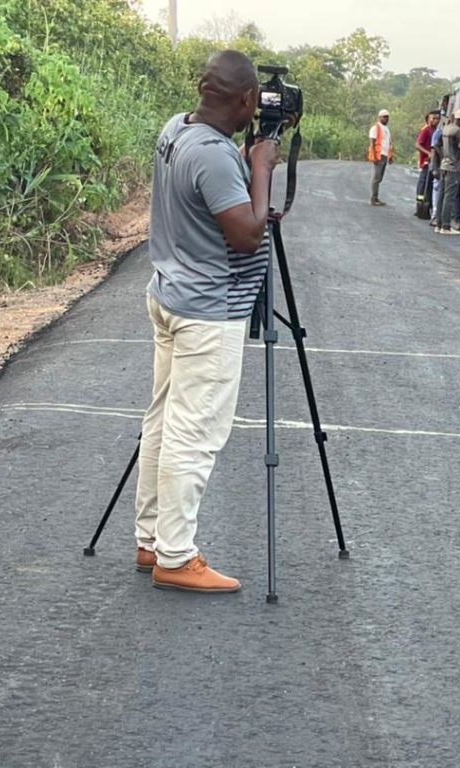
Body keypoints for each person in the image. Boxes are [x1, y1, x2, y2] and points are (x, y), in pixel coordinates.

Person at [133, 50, 280, 594]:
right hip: (207, 311)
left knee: (163, 423)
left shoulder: (178, 129)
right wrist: (260, 169)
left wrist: (247, 168)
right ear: (245, 100)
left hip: (170, 295)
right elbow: (246, 234)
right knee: (193, 436)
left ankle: (151, 539)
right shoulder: (218, 157)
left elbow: (212, 200)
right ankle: (176, 555)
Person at [435, 108, 460, 235]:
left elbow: (437, 145)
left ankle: (438, 224)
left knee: (442, 195)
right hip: (453, 167)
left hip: (444, 165)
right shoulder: (458, 131)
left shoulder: (446, 128)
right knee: (449, 197)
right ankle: (445, 226)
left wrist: (443, 157)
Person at [415, 110, 440, 210]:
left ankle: (427, 206)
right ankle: (419, 206)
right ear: (428, 120)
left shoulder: (437, 132)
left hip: (434, 163)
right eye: (433, 118)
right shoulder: (426, 131)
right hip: (426, 163)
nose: (436, 120)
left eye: (437, 118)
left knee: (430, 186)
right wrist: (428, 153)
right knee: (423, 185)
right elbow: (417, 145)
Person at [368, 109, 393, 206]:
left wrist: (390, 157)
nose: (386, 118)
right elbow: (372, 143)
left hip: (385, 155)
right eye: (384, 117)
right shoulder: (375, 128)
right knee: (376, 178)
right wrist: (373, 156)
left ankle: (376, 197)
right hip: (378, 156)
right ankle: (374, 198)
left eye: (387, 117)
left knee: (379, 178)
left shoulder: (386, 129)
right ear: (380, 117)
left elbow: (388, 143)